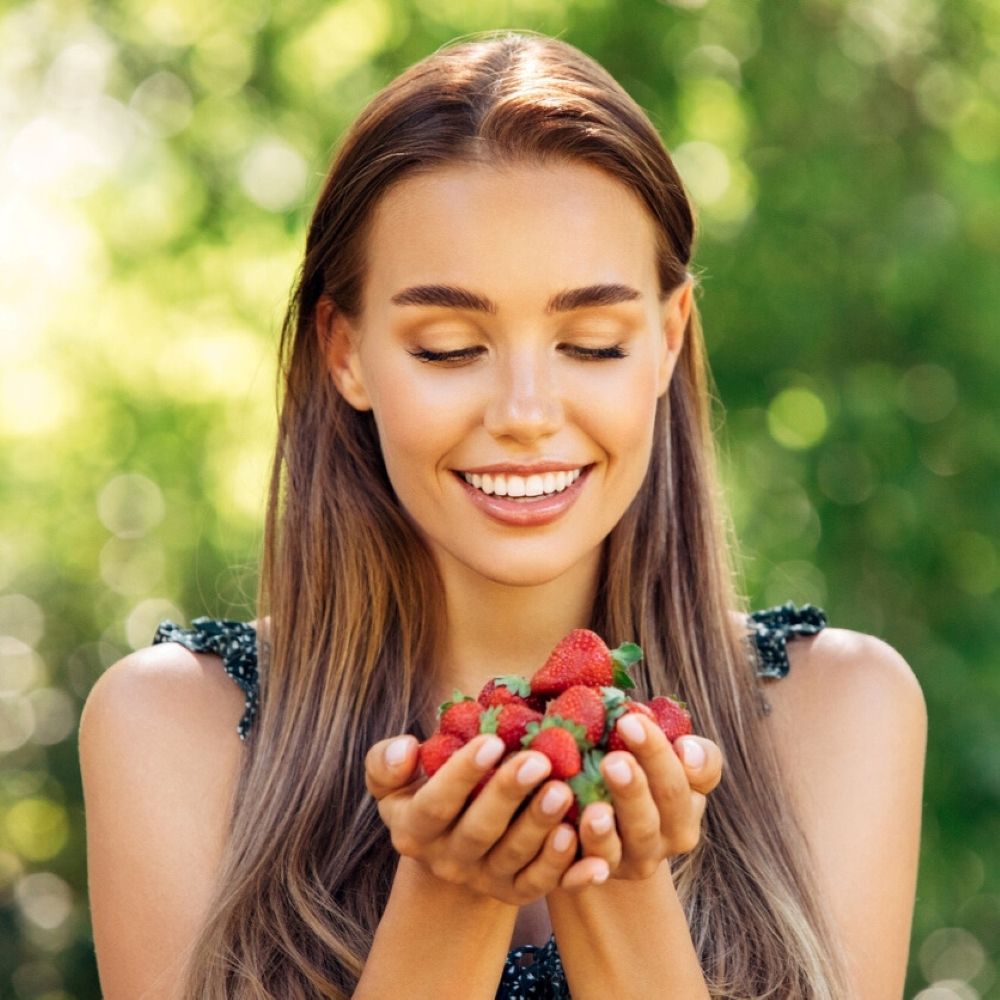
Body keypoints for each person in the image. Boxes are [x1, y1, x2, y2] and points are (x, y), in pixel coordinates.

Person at [79, 31, 927, 999]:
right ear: (344, 351)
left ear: (665, 340)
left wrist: (619, 874)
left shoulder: (839, 711)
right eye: (447, 347)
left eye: (593, 343)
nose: (524, 414)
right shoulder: (173, 726)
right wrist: (449, 896)